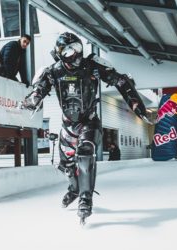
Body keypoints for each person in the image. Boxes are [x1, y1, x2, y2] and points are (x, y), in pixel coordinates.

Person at [23, 32, 148, 222]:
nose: (75, 54)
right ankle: (74, 190)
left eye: (77, 48)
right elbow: (39, 88)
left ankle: (85, 198)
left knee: (85, 150)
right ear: (60, 53)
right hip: (67, 125)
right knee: (66, 166)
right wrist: (33, 99)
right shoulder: (53, 71)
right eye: (68, 50)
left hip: (89, 121)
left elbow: (120, 80)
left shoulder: (92, 65)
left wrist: (136, 103)